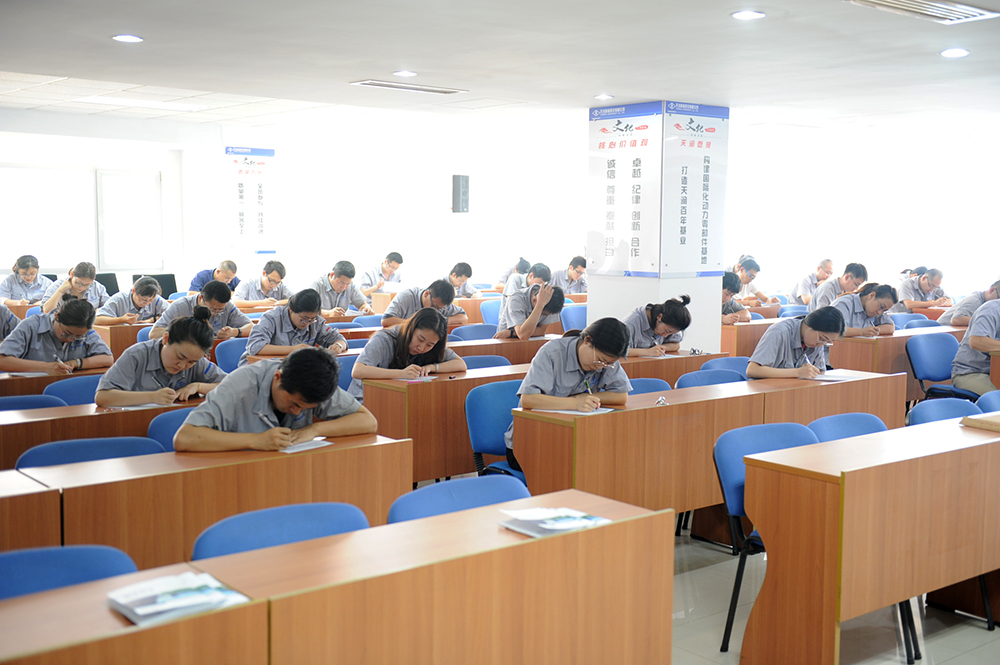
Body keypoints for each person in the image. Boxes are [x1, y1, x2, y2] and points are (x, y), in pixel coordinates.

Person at [174, 347, 377, 452]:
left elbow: (368, 421)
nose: (297, 412)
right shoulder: (239, 386)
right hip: (237, 471)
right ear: (278, 377)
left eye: (305, 408)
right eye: (294, 404)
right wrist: (256, 441)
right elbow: (184, 438)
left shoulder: (317, 383)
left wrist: (315, 429)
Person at [503, 318, 632, 472]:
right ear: (587, 340)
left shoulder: (606, 359)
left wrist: (588, 399)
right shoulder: (551, 353)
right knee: (585, 468)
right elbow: (528, 399)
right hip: (531, 443)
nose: (601, 367)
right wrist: (575, 402)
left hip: (571, 438)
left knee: (612, 462)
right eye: (600, 361)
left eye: (607, 364)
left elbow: (621, 395)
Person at [95, 307, 227, 406]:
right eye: (179, 357)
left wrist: (198, 386)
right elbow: (102, 396)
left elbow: (231, 387)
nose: (182, 366)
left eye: (191, 362)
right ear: (166, 339)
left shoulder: (197, 361)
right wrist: (152, 397)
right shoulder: (136, 356)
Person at [349, 308, 467, 403]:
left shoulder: (433, 344)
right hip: (364, 401)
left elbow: (460, 364)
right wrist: (401, 374)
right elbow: (358, 370)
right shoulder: (384, 339)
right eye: (420, 339)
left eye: (429, 345)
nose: (421, 348)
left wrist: (432, 367)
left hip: (396, 399)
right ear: (411, 328)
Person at [0, 297, 113, 375]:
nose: (71, 339)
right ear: (56, 317)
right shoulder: (30, 326)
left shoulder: (84, 327)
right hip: (32, 387)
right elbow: (2, 360)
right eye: (67, 333)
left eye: (78, 336)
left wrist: (76, 363)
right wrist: (46, 367)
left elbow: (107, 358)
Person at [238, 288, 348, 366]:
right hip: (258, 368)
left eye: (312, 319)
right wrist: (294, 349)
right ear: (291, 309)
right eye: (304, 318)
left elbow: (338, 338)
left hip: (291, 371)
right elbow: (255, 347)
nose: (307, 323)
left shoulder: (315, 322)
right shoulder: (271, 318)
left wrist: (338, 345)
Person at [747, 307, 845, 379]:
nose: (821, 345)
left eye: (827, 342)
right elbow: (752, 370)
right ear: (810, 326)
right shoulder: (779, 332)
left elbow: (820, 373)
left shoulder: (816, 342)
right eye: (822, 339)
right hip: (768, 391)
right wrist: (797, 372)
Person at [151, 280, 252, 340]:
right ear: (200, 298)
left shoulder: (227, 306)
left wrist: (235, 332)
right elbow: (154, 334)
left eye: (220, 310)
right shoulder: (180, 306)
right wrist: (185, 333)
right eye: (213, 309)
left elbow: (251, 327)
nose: (215, 313)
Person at [951, 299, 1000, 395]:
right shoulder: (991, 309)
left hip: (995, 372)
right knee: (997, 397)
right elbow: (976, 341)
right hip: (970, 372)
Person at [380, 280, 467, 327]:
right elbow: (386, 320)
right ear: (426, 294)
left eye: (439, 309)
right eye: (434, 306)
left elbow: (463, 318)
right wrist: (417, 323)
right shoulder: (406, 296)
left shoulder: (441, 303)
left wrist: (443, 321)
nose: (436, 310)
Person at [624, 295, 691, 356]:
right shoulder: (631, 323)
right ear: (659, 317)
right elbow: (620, 351)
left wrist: (658, 349)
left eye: (670, 333)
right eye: (667, 331)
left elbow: (675, 345)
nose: (665, 336)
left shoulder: (671, 323)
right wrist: (647, 351)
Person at [495, 283, 564, 340]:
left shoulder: (550, 298)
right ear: (534, 300)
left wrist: (512, 333)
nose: (543, 316)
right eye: (543, 314)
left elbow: (541, 331)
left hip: (526, 341)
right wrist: (539, 305)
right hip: (504, 342)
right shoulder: (516, 299)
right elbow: (523, 335)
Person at [307, 260, 375, 317]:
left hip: (340, 324)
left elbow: (362, 304)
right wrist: (328, 313)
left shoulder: (350, 286)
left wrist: (366, 308)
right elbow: (307, 310)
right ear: (332, 275)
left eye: (347, 284)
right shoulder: (317, 285)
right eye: (342, 283)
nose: (344, 287)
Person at [94, 276, 168, 325]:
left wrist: (152, 320)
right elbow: (96, 320)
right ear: (133, 291)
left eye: (150, 300)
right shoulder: (119, 299)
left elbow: (173, 315)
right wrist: (121, 320)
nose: (147, 303)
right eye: (143, 299)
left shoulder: (156, 299)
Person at [40, 261, 110, 314]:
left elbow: (109, 308)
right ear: (72, 274)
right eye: (78, 283)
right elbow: (47, 312)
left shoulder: (97, 287)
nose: (81, 287)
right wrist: (60, 291)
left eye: (87, 285)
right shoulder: (56, 286)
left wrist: (98, 311)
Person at [832, 283, 897, 337]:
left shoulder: (874, 311)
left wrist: (873, 331)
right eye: (881, 307)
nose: (879, 312)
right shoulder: (844, 303)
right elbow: (834, 329)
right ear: (871, 295)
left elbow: (891, 327)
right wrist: (862, 332)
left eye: (884, 310)